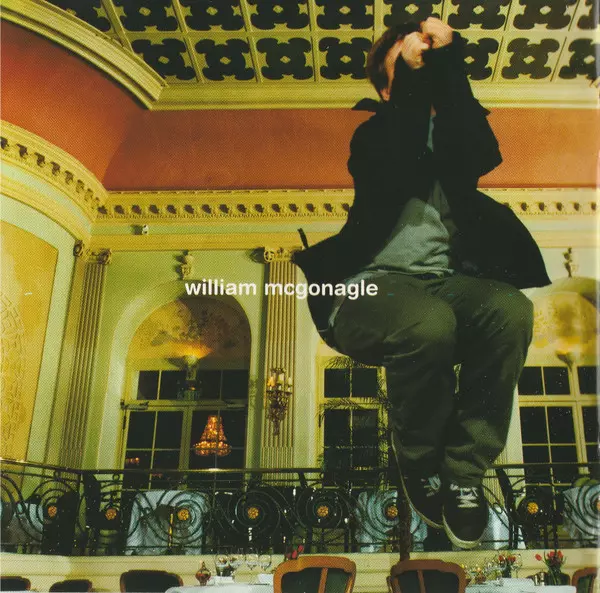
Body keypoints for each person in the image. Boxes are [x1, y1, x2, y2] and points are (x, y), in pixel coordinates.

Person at [292, 18, 550, 549]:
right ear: (387, 90)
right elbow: (401, 155)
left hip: (443, 285)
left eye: (427, 69)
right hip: (365, 288)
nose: (420, 76)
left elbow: (479, 152)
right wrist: (411, 73)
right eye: (407, 71)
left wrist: (448, 59)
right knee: (427, 322)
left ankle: (463, 472)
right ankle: (420, 460)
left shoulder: (453, 136)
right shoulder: (373, 135)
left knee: (510, 311)